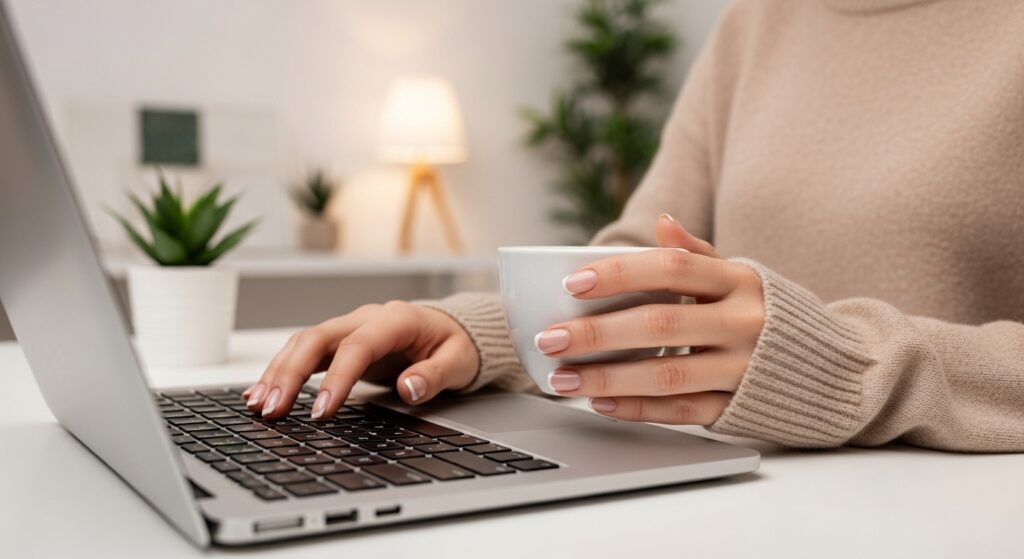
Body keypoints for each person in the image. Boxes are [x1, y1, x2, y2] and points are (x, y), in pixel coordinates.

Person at [243, 0, 1024, 452]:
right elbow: (638, 256)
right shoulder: (760, 19)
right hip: (735, 502)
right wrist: (486, 331)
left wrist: (847, 368)